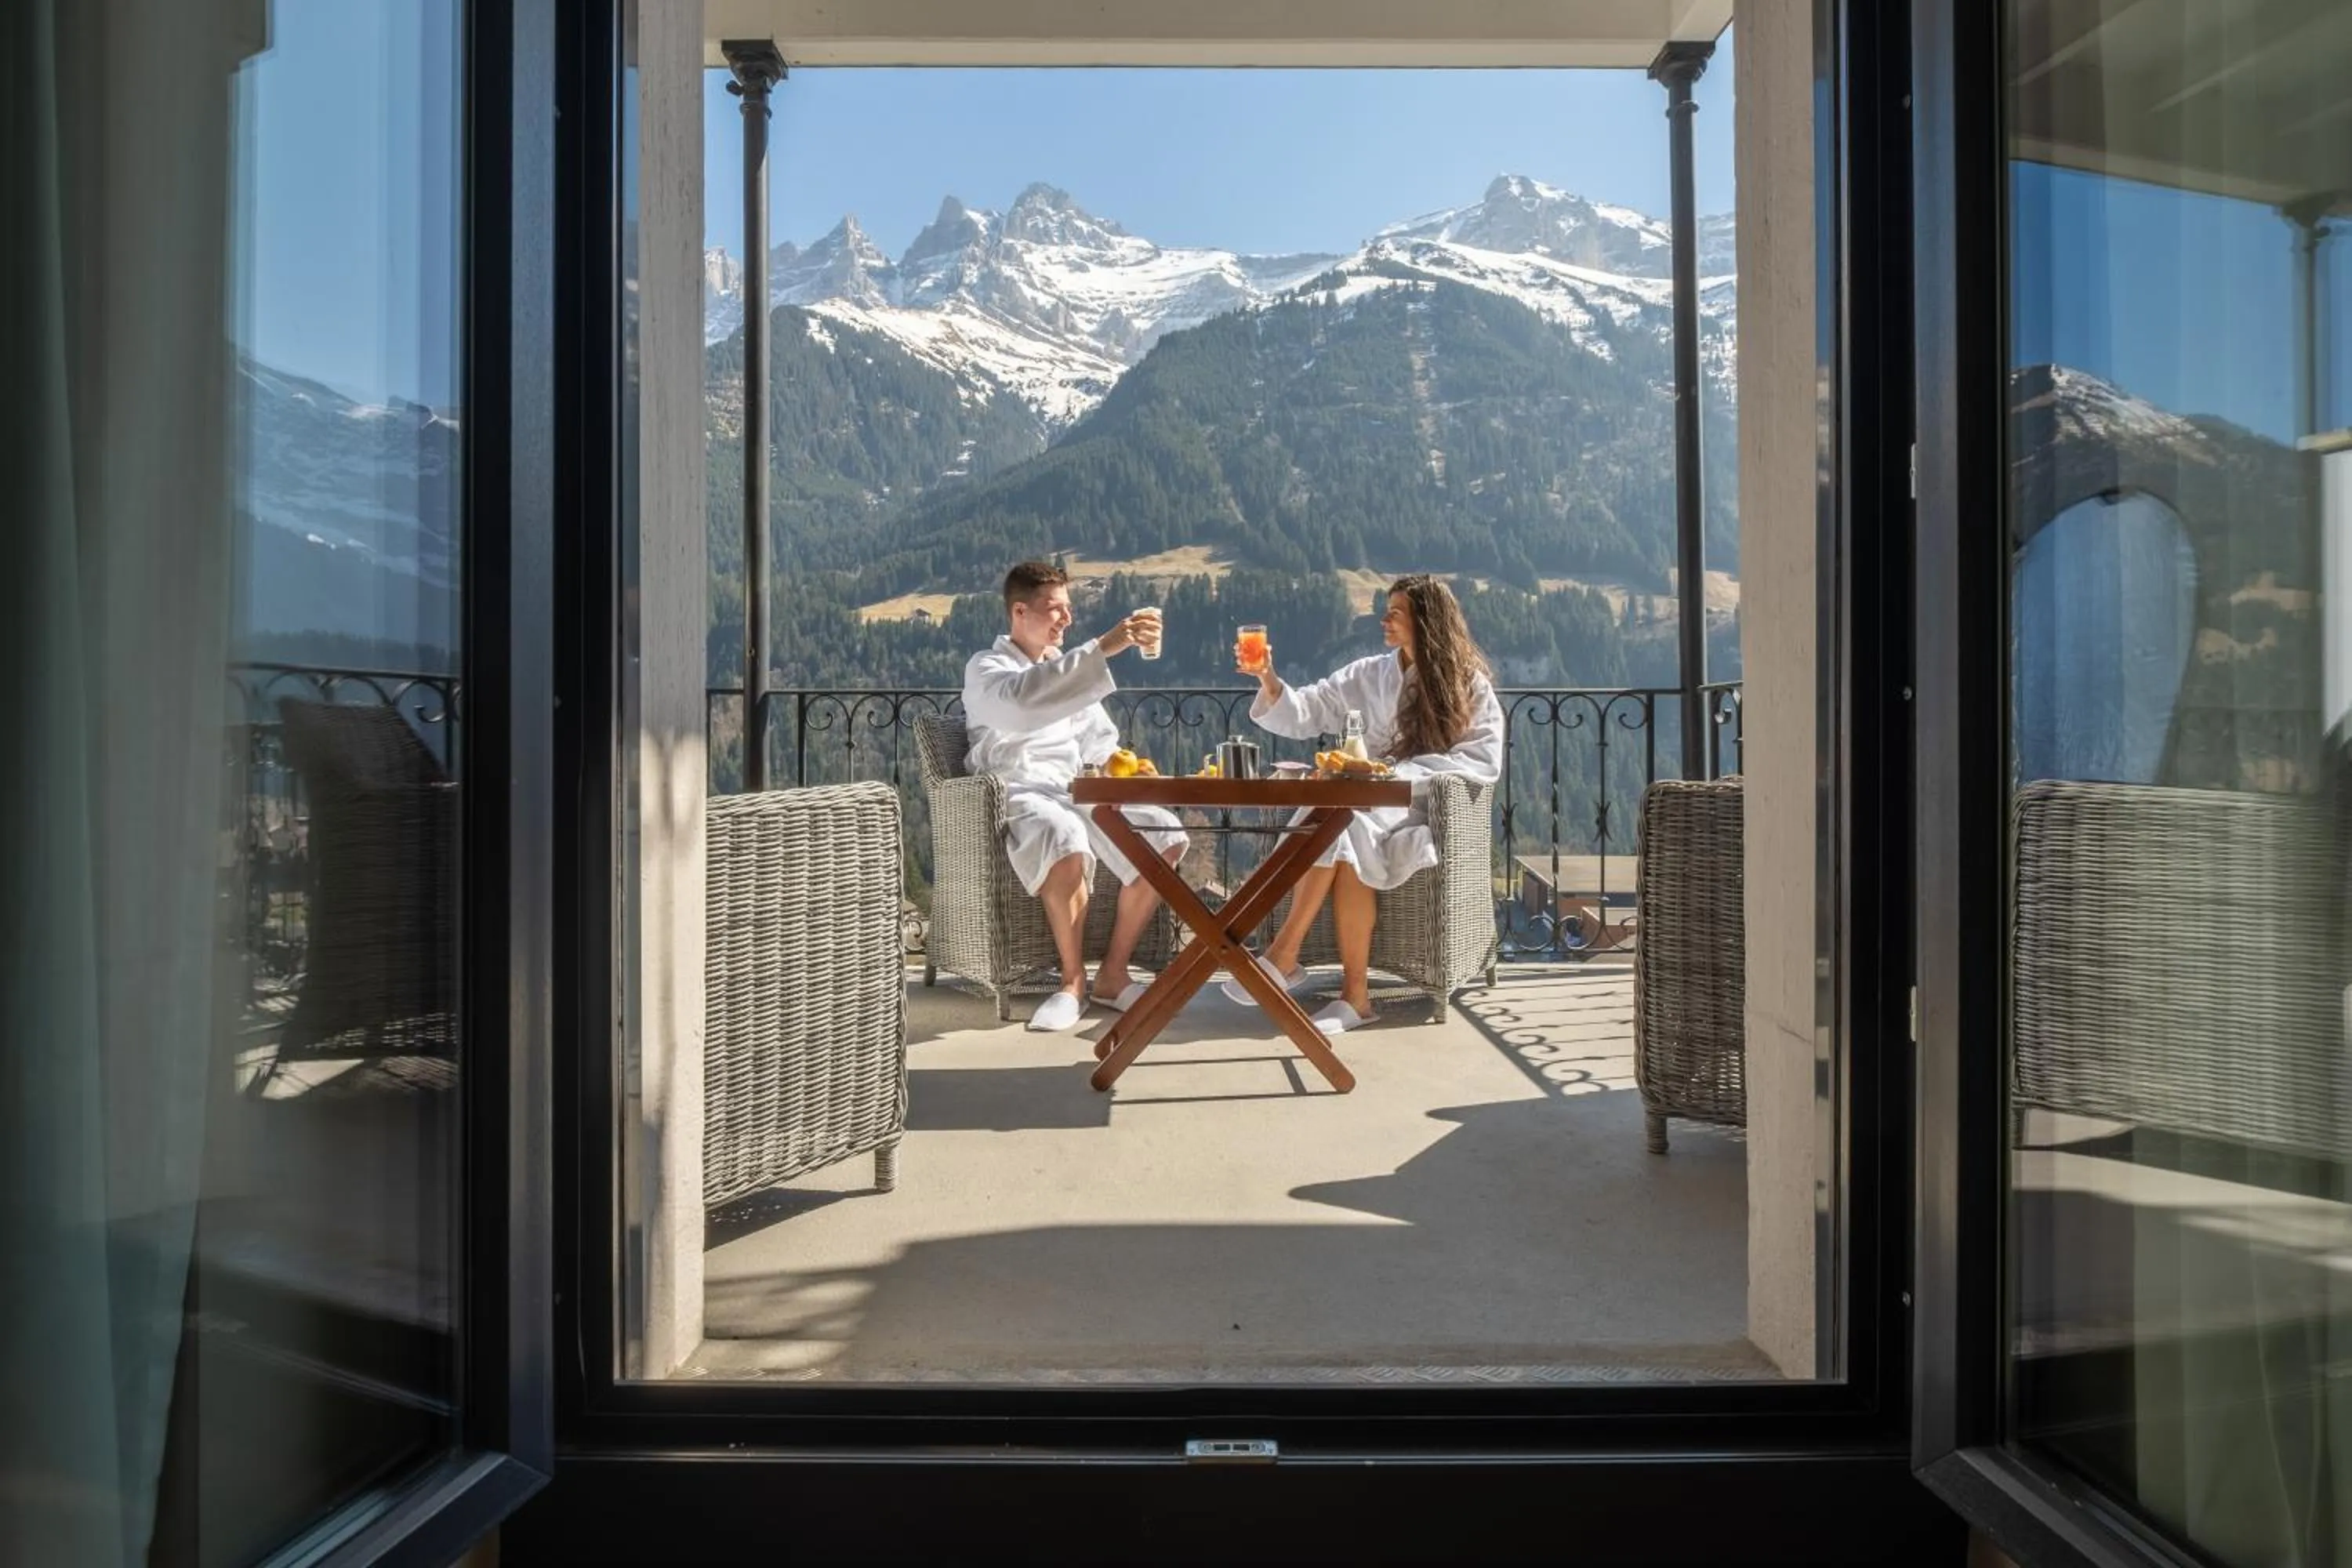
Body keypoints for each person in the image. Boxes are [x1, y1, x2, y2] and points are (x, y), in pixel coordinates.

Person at [1226, 574, 1504, 1033]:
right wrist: (1266, 677)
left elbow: (1480, 760)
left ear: (1426, 621)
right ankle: (1352, 996)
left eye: (1396, 612)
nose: (1384, 620)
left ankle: (1284, 956)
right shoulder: (1369, 674)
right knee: (1343, 825)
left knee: (1341, 821)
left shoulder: (1470, 687)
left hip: (1422, 807)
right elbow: (1310, 709)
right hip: (1360, 805)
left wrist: (1394, 776)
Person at [962, 561, 1187, 1031]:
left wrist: (1125, 766)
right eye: (1054, 609)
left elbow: (1099, 740)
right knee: (1063, 835)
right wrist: (1105, 647)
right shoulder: (987, 668)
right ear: (1019, 612)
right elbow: (1022, 704)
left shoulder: (1062, 670)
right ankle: (1072, 982)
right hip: (1019, 790)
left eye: (1068, 608)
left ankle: (1113, 974)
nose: (1066, 618)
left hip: (1076, 789)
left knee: (1164, 833)